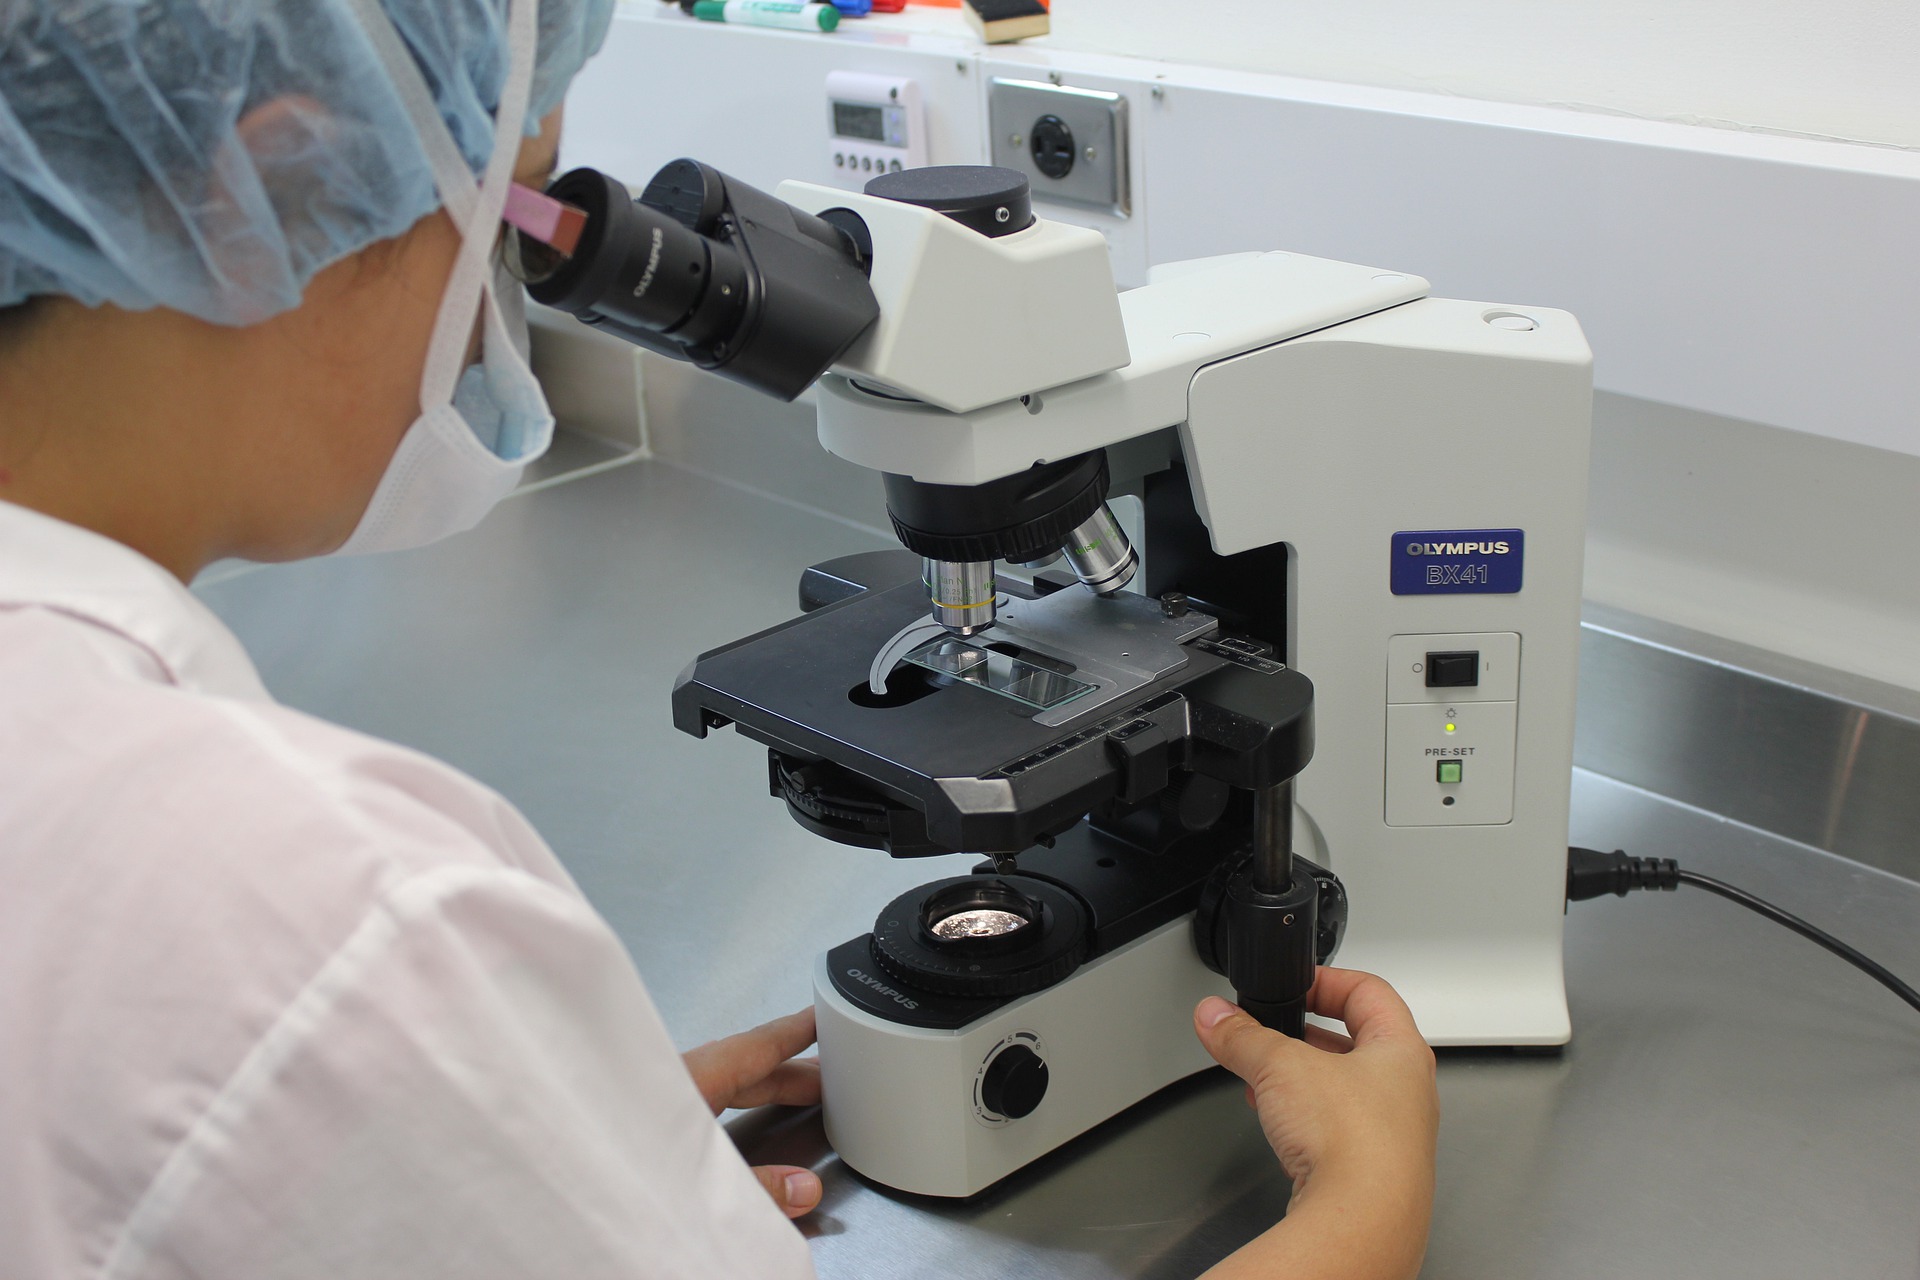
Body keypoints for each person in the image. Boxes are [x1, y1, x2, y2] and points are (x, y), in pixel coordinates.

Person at [0, 1, 1440, 1276]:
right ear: (279, 180)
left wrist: (514, 1154)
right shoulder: (339, 937)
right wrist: (1362, 1224)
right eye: (508, 227)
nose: (497, 311)